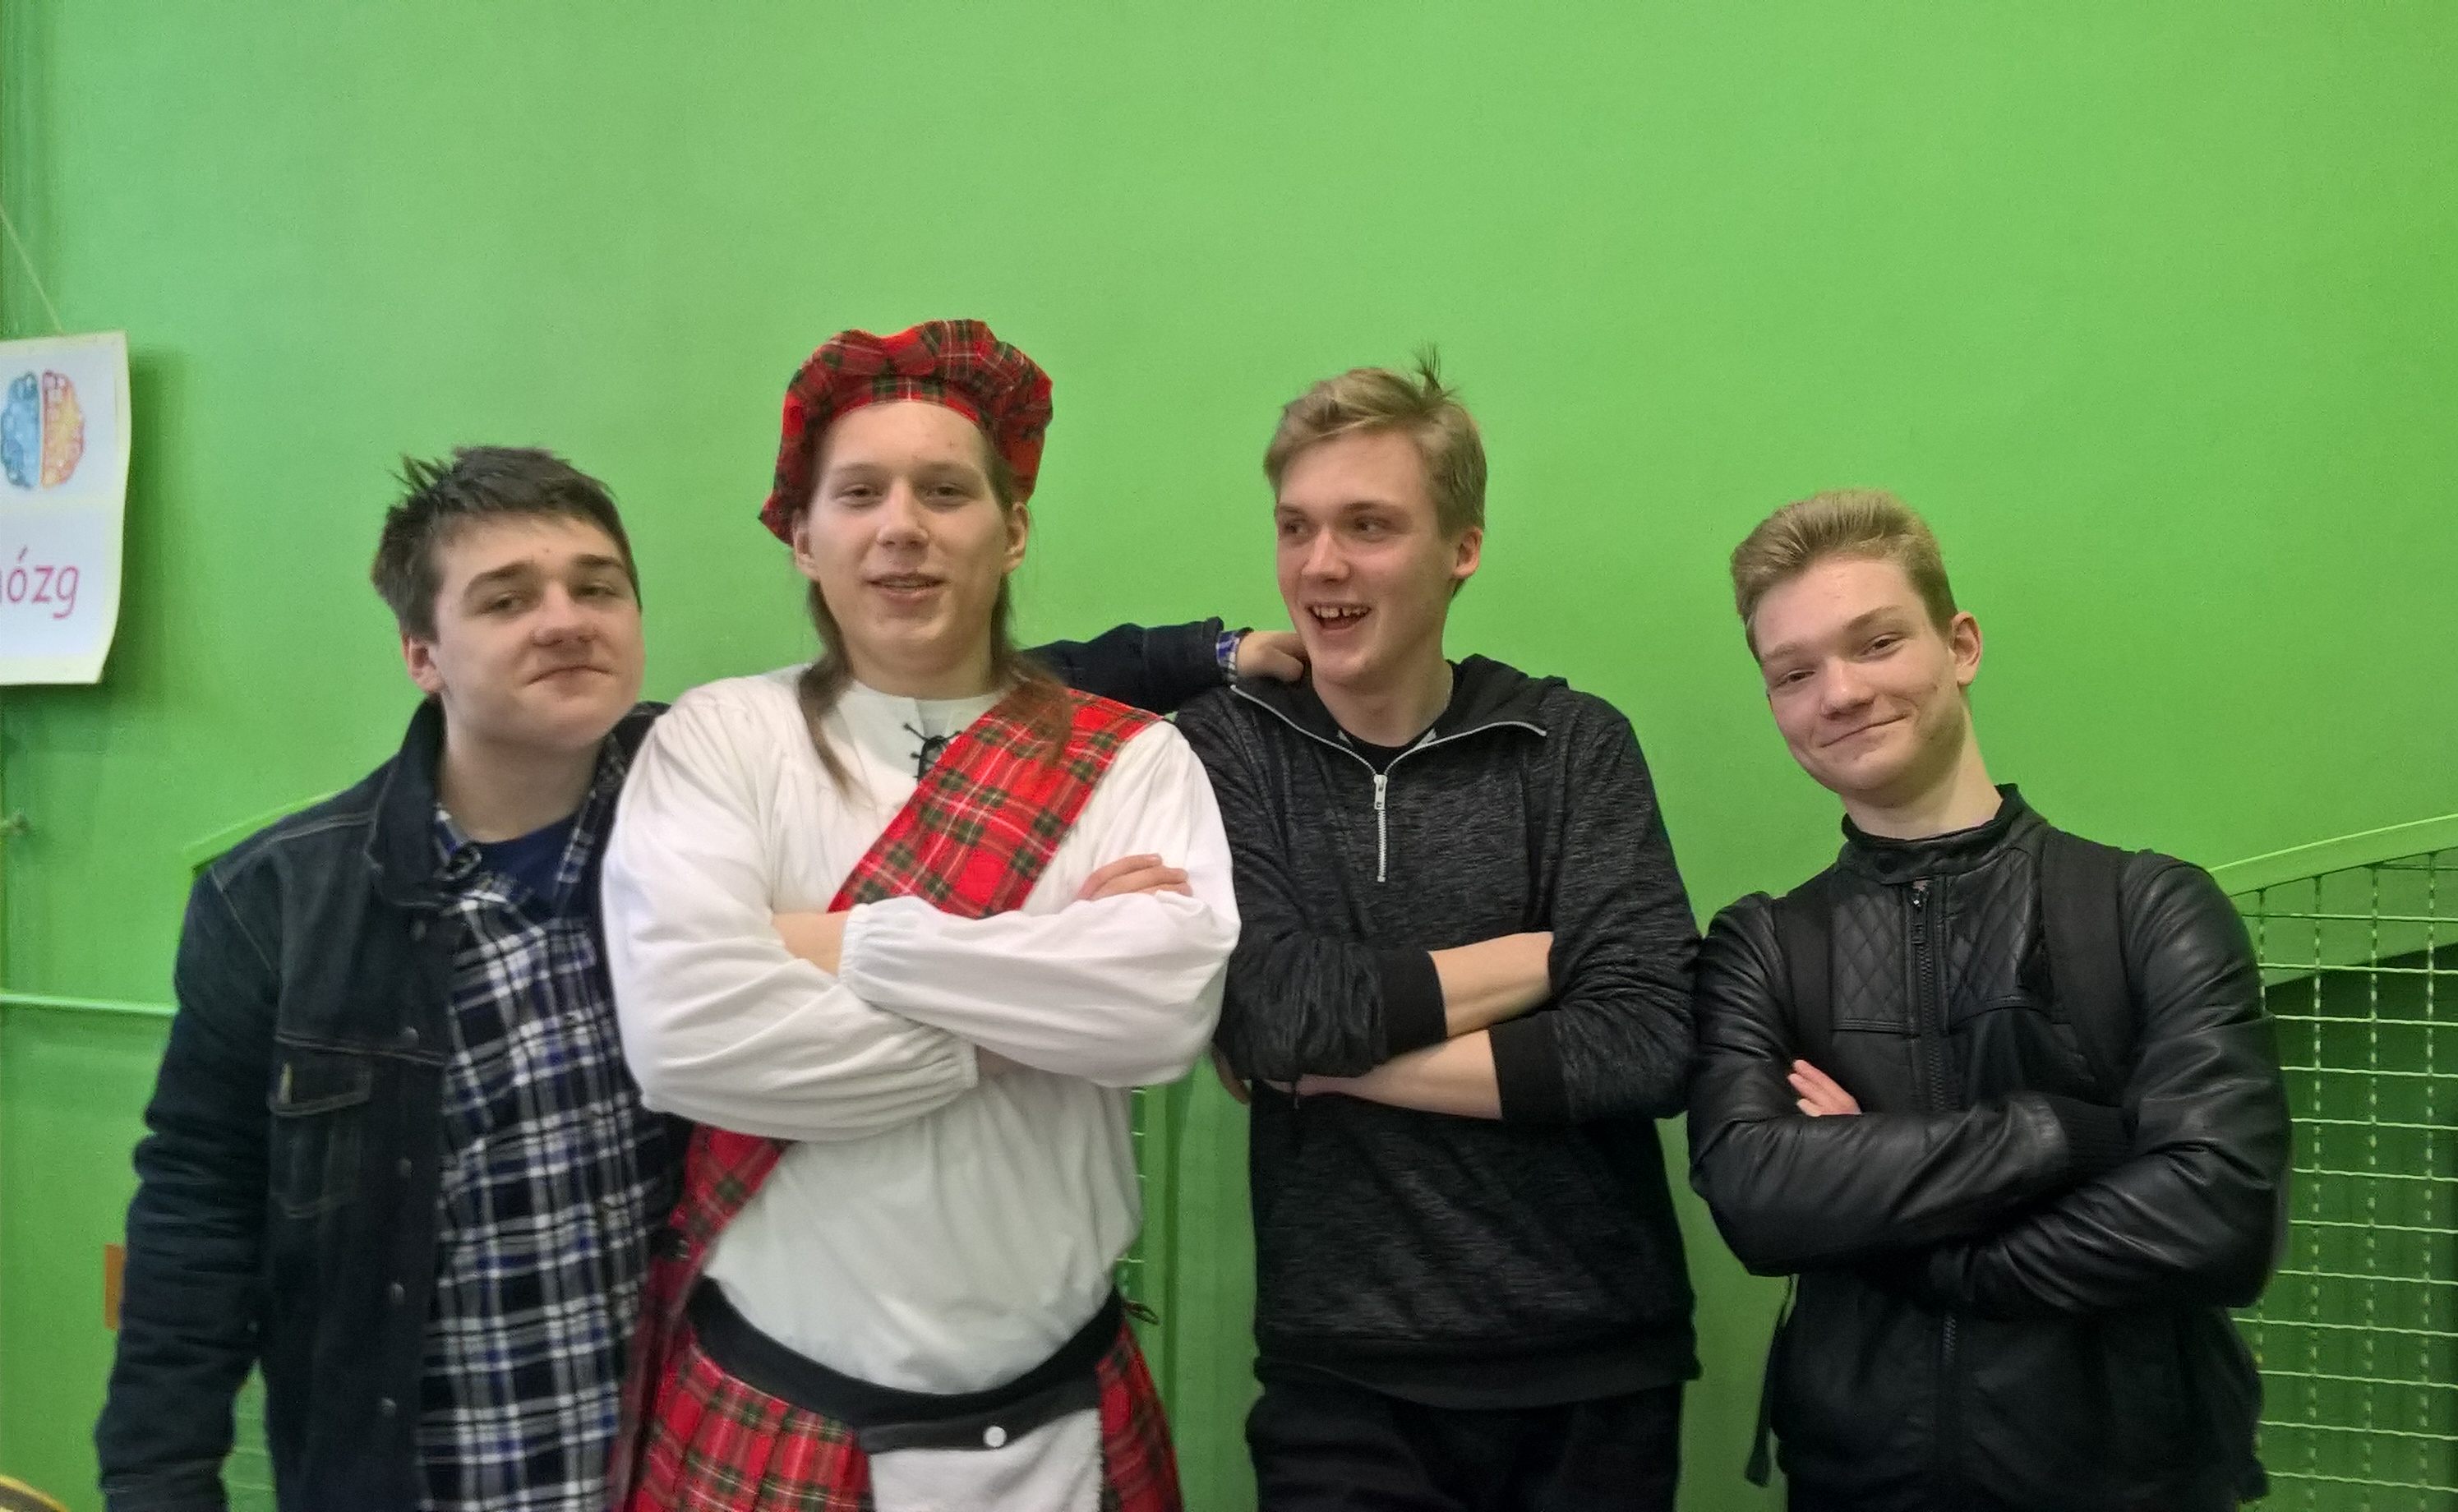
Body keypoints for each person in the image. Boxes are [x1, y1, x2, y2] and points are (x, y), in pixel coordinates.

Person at [97, 436, 1291, 1512]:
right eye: (506, 599)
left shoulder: (688, 784)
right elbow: (199, 1211)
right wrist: (1027, 1021)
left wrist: (1199, 653)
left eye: (596, 588)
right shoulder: (285, 901)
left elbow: (959, 666)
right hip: (423, 1453)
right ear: (422, 651)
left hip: (651, 1418)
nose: (564, 621)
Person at [602, 320, 1234, 1512]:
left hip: (1068, 1418)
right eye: (859, 494)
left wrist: (832, 943)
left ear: (1014, 529)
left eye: (945, 490)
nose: (902, 525)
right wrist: (1021, 1027)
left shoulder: (1133, 757)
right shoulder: (719, 739)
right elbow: (685, 1036)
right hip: (773, 1416)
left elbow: (1157, 1015)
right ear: (804, 537)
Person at [1687, 488, 2291, 1511]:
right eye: (1794, 673)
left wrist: (1906, 1239)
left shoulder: (2147, 907)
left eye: (1876, 643)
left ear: (1960, 645)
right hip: (1856, 1487)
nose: (1840, 692)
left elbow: (2217, 1215)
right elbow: (1754, 1195)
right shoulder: (1764, 946)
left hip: (2133, 1488)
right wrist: (2061, 1134)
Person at [1176, 357, 1699, 1512]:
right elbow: (1274, 1007)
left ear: (1462, 548)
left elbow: (1645, 1042)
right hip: (1340, 1377)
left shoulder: (1572, 745)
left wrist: (1329, 1069)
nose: (1321, 564)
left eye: (1369, 525)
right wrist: (1544, 959)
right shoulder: (1226, 746)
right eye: (1297, 526)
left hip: (1595, 1369)